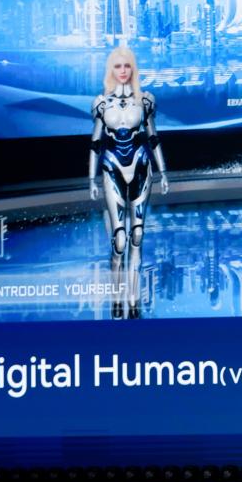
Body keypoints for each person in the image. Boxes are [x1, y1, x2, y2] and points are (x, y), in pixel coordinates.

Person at [89, 47, 168, 319]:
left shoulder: (145, 101)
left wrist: (164, 172)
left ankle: (133, 301)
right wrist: (91, 179)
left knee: (137, 236)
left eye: (127, 66)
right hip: (111, 168)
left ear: (133, 69)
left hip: (141, 167)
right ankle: (116, 298)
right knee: (119, 240)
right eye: (117, 66)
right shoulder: (102, 103)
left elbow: (153, 138)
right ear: (110, 70)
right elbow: (95, 142)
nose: (123, 71)